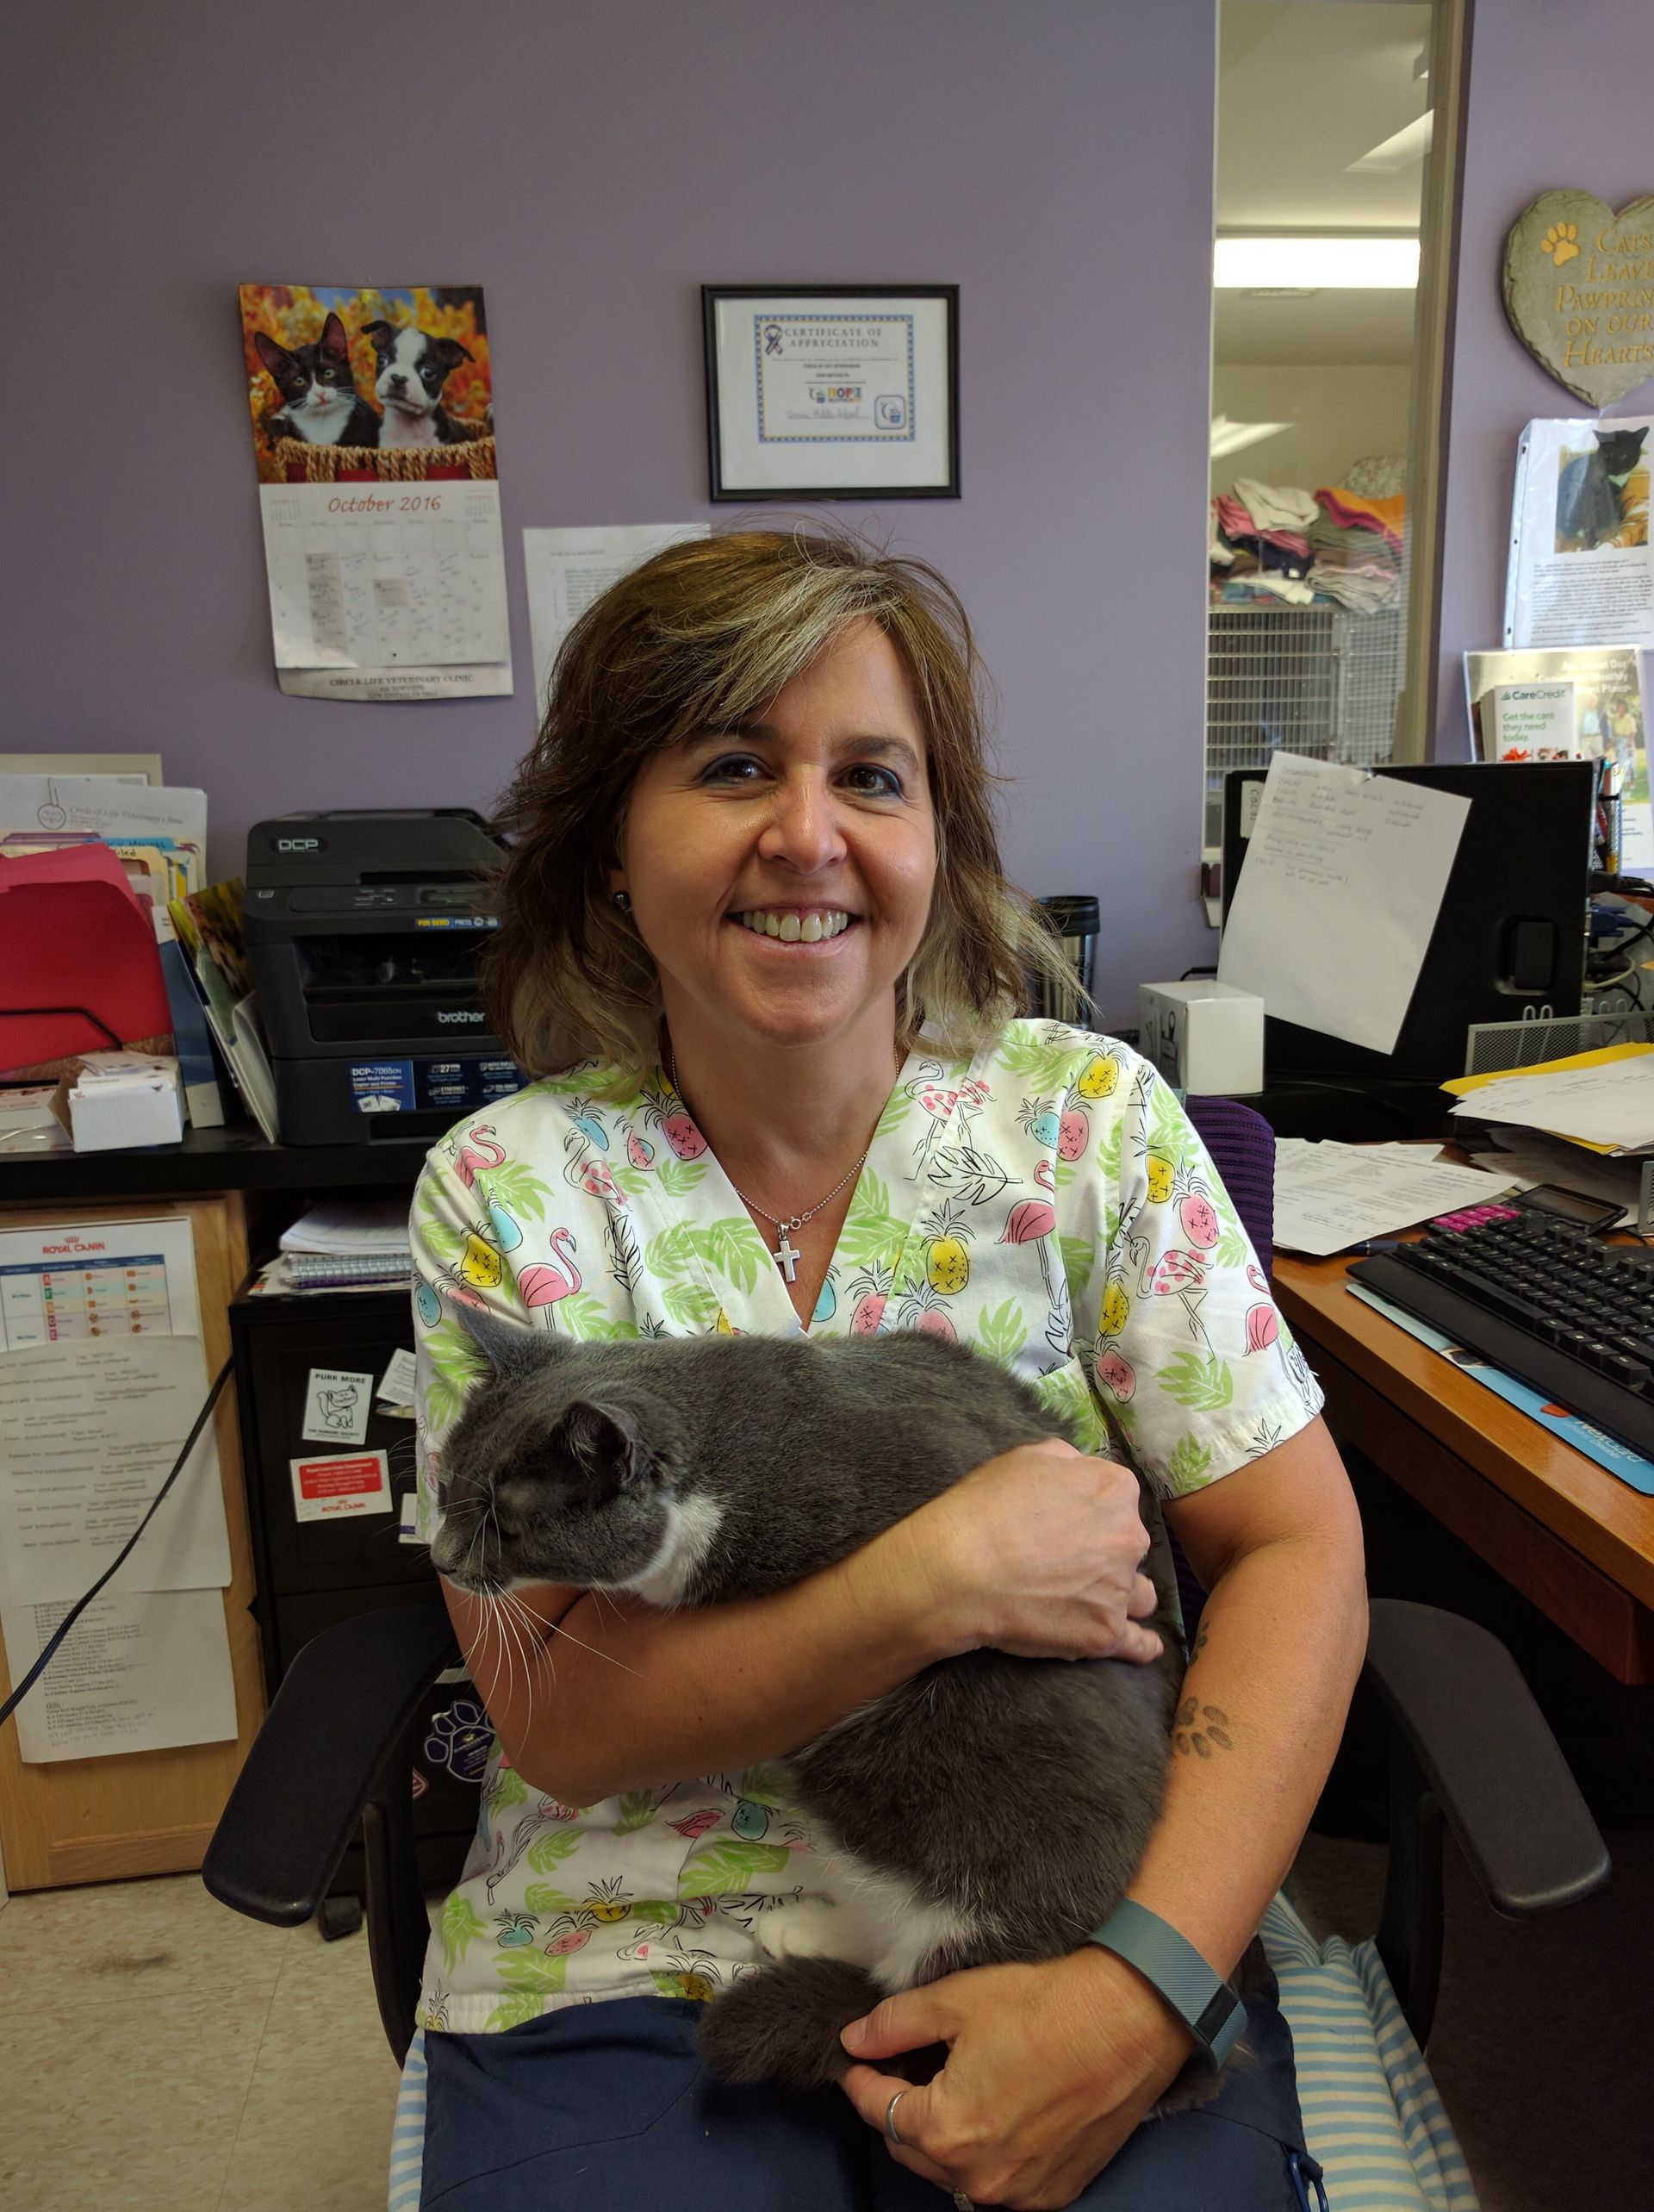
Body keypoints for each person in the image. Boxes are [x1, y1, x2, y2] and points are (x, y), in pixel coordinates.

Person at [407, 528, 1365, 2211]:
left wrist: (1146, 1986)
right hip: (629, 1934)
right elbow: (553, 1717)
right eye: (729, 766)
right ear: (614, 850)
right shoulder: (510, 1193)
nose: (808, 832)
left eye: (872, 776)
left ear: (940, 844)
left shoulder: (1090, 1129)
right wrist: (932, 1580)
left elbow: (1299, 1553)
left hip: (1059, 1881)